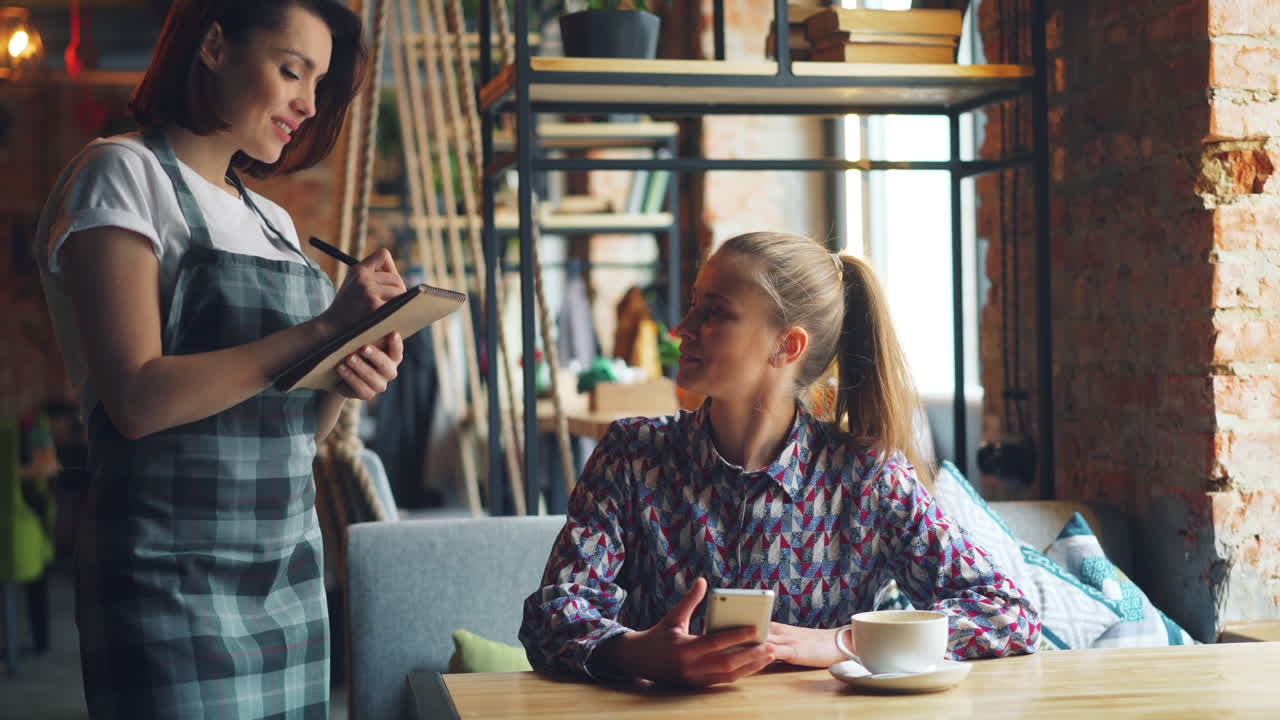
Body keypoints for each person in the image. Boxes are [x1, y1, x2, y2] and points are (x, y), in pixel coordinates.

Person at [34, 1, 403, 715]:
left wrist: (348, 368)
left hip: (286, 581)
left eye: (319, 83)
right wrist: (323, 328)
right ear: (212, 45)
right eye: (292, 70)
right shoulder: (121, 174)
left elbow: (299, 431)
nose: (307, 102)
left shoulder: (276, 222)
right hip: (166, 585)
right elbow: (137, 400)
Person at [519, 232, 1041, 686]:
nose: (682, 327)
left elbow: (1006, 612)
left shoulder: (868, 478)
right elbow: (551, 617)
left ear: (786, 346)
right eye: (694, 302)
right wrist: (634, 652)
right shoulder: (632, 456)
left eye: (715, 311)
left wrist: (843, 642)